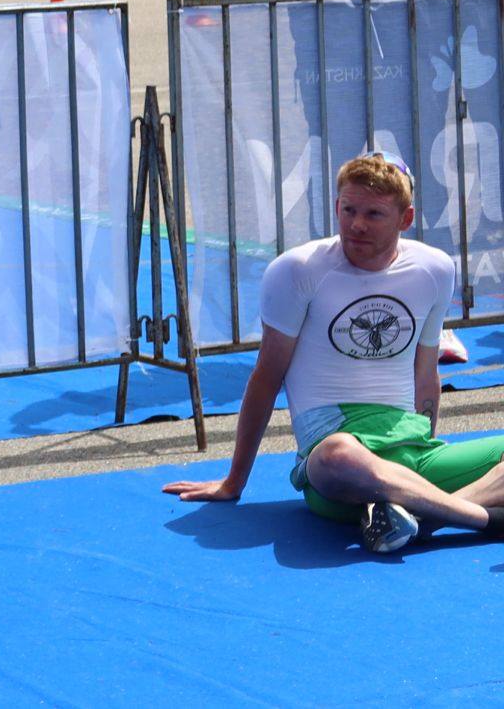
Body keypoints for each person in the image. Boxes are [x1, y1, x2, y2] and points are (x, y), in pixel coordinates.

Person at [162, 153, 504, 552]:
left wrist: (416, 464)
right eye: (348, 210)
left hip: (412, 455)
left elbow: (426, 372)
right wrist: (234, 481)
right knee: (337, 453)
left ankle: (409, 517)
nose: (357, 224)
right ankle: (479, 517)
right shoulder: (297, 269)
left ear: (405, 220)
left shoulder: (435, 269)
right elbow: (266, 377)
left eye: (374, 214)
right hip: (339, 474)